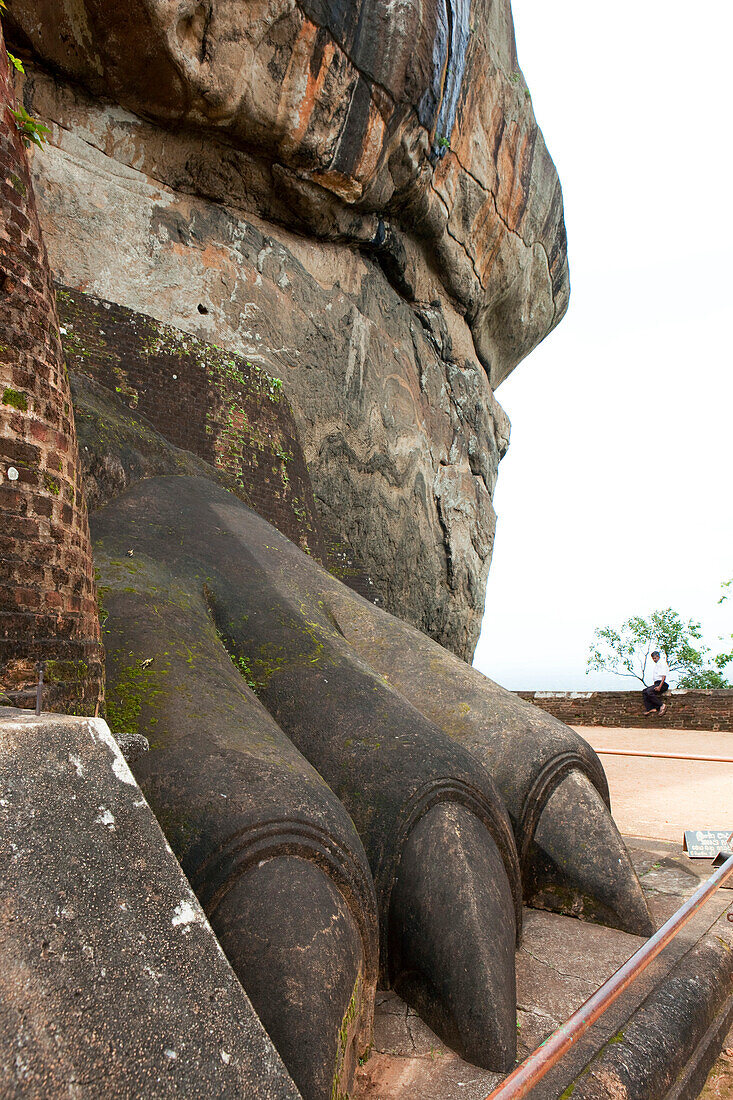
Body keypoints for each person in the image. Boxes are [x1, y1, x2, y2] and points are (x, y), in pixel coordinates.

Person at [642, 650, 669, 716]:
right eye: (653, 658)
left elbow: (664, 676)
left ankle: (661, 705)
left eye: (655, 658)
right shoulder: (658, 664)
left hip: (662, 684)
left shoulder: (662, 663)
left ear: (658, 656)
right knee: (645, 691)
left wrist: (660, 686)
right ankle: (651, 708)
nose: (654, 660)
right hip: (657, 683)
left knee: (649, 691)